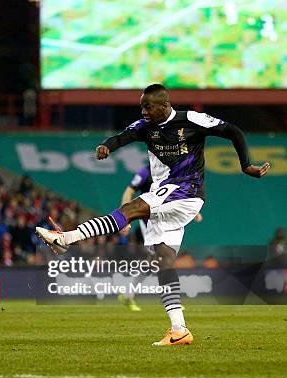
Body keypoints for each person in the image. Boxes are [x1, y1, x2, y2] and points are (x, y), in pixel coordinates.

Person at [36, 83, 270, 346]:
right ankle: (179, 329)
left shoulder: (191, 119)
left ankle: (66, 239)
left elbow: (233, 131)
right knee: (164, 261)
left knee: (130, 210)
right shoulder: (145, 126)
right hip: (167, 193)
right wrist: (106, 146)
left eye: (149, 106)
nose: (144, 111)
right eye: (142, 106)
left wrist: (246, 165)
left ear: (165, 105)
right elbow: (121, 137)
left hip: (186, 191)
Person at [118, 165, 202, 311]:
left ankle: (128, 294)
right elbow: (128, 192)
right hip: (149, 223)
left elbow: (178, 195)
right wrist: (125, 218)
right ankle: (171, 299)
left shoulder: (173, 171)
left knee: (154, 261)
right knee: (162, 257)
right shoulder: (145, 171)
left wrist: (192, 211)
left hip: (167, 221)